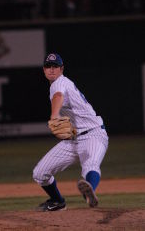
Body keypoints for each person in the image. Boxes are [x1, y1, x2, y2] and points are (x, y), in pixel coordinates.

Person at [33, 53, 109, 211]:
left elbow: (58, 96)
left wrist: (54, 116)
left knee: (90, 165)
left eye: (55, 66)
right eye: (48, 66)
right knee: (40, 173)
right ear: (44, 70)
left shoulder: (59, 83)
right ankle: (57, 201)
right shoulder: (56, 84)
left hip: (93, 134)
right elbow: (58, 98)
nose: (52, 70)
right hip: (73, 139)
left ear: (61, 69)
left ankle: (90, 193)